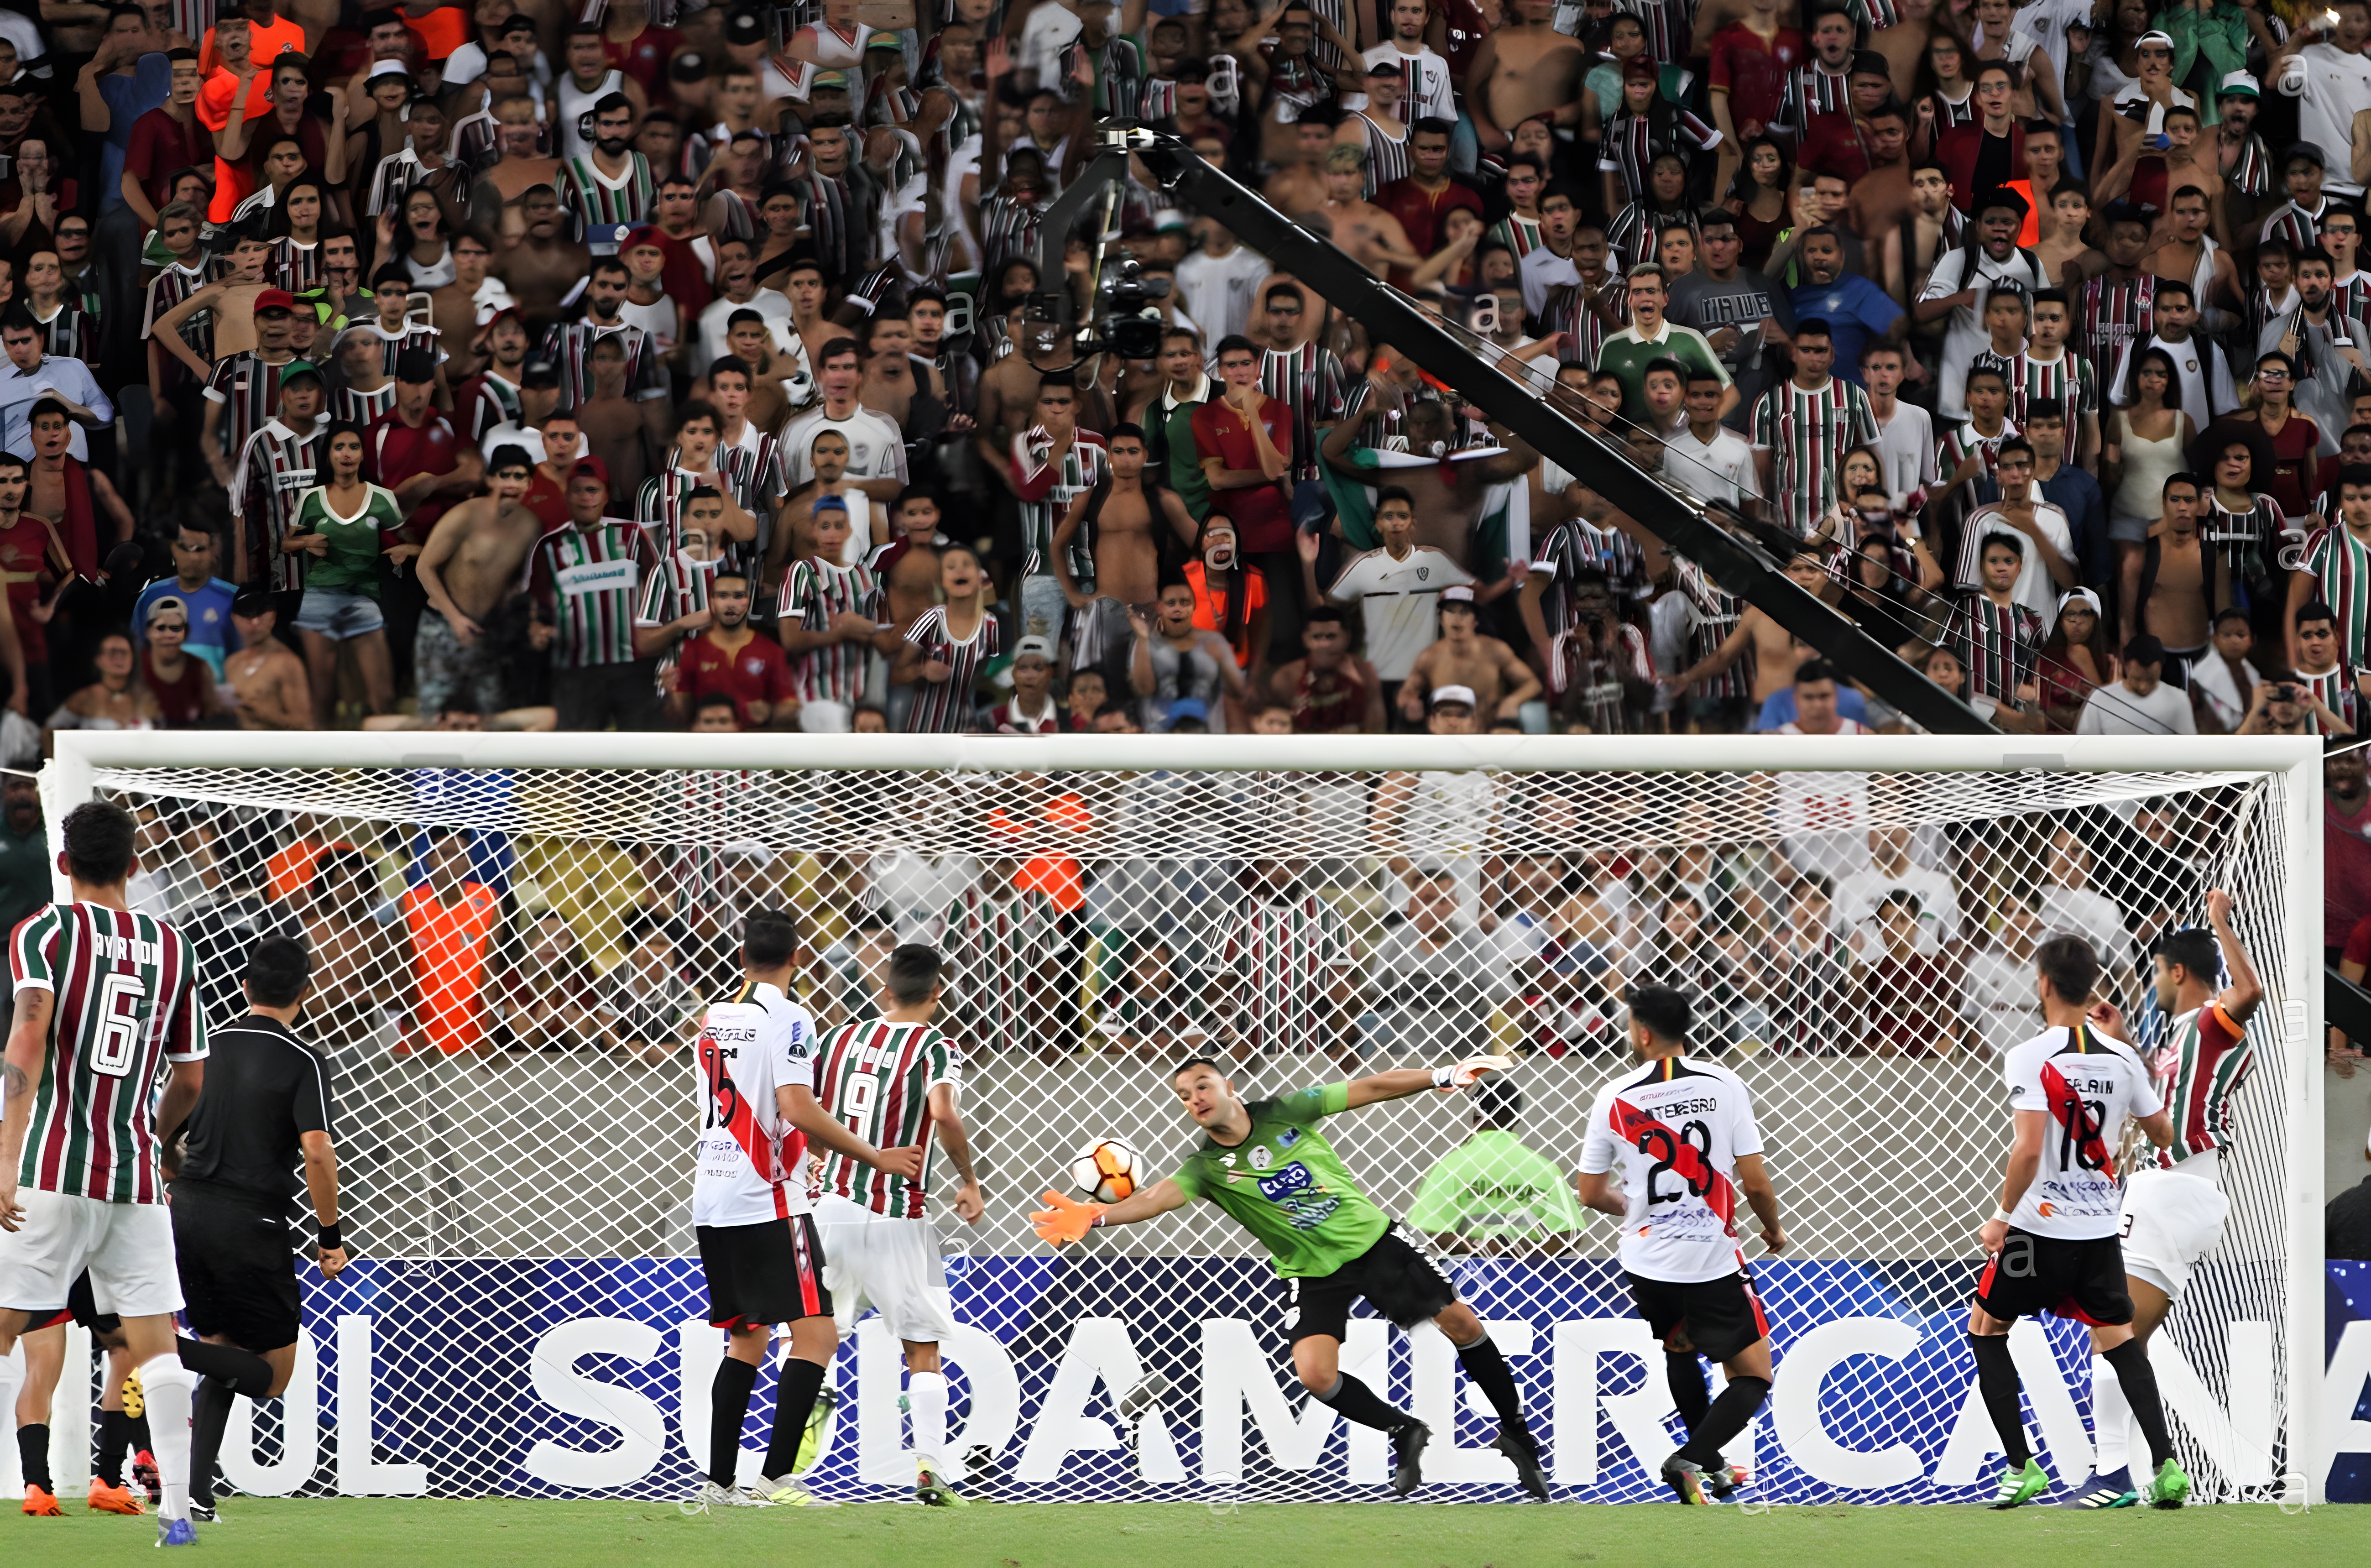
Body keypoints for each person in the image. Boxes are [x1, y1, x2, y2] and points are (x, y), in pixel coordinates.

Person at [1030, 1053, 1549, 1500]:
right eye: (1185, 1095)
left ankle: (1517, 1433)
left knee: (1462, 1325)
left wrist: (1442, 1075)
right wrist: (1096, 1215)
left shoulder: (1286, 1111)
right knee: (1316, 1375)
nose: (1196, 1098)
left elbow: (1369, 1088)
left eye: (1203, 1086)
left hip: (1371, 1244)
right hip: (1309, 1272)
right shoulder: (1207, 1166)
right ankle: (1403, 1428)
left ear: (1229, 1087)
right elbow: (1154, 1198)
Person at [0, 800, 206, 1545]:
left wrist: (4, 1153)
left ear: (62, 866)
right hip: (136, 1181)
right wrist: (156, 1137)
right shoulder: (174, 947)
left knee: (5, 1326)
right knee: (156, 1346)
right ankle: (178, 1511)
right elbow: (190, 1078)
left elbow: (27, 1037)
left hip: (51, 1168)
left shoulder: (46, 932)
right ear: (134, 864)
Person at [686, 908, 923, 1510]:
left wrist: (812, 1149)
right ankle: (775, 1479)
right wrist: (873, 1156)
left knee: (746, 1338)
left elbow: (753, 1104)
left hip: (713, 1194)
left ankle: (718, 1486)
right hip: (766, 1199)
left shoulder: (714, 1018)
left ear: (743, 958)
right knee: (817, 1335)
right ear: (799, 958)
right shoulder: (791, 1018)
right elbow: (793, 1104)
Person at [2052, 889, 2267, 1507]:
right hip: (2187, 1193)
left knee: (2109, 1334)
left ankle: (2115, 1474)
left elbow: (2247, 994)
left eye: (2157, 973)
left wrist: (2220, 925)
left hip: (2169, 1190)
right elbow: (2165, 1099)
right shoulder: (2180, 1041)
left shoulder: (2207, 1023)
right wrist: (2125, 1046)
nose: (2153, 985)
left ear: (2178, 973)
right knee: (2128, 1343)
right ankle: (2161, 1474)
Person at [1967, 934, 2188, 1510]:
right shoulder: (2122, 1058)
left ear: (2042, 983)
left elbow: (2028, 1148)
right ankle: (2166, 1468)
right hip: (2099, 1230)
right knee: (2119, 1341)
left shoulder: (2030, 1055)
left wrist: (1999, 1217)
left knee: (1987, 1330)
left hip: (2039, 1230)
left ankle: (2021, 1468)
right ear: (2093, 986)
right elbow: (2165, 1134)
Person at [1574, 983, 1785, 1504]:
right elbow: (1755, 1181)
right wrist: (1773, 1229)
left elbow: (1590, 1192)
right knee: (1755, 1375)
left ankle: (1708, 1466)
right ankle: (1689, 1458)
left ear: (1642, 1034)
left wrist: (1641, 1209)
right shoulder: (1725, 1082)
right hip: (1709, 1257)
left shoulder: (1614, 1096)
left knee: (1680, 1347)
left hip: (1646, 1261)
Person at [166, 935, 348, 1522]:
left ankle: (193, 1493)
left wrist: (175, 1176)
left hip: (189, 1211)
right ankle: (159, 1349)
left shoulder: (208, 1044)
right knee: (270, 1376)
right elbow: (317, 1153)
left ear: (245, 987)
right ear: (306, 992)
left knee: (224, 1350)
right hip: (252, 1220)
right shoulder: (303, 1059)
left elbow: (160, 1123)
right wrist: (330, 1234)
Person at [810, 945, 983, 1506]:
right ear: (939, 994)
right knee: (923, 1347)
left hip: (829, 1207)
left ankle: (784, 1469)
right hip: (900, 1214)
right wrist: (969, 1178)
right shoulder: (939, 1045)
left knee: (815, 1342)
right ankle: (931, 1466)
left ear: (886, 990)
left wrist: (814, 1157)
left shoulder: (838, 1038)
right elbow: (943, 1114)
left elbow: (802, 1107)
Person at [287, 422, 402, 728]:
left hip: (364, 597)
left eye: (354, 446)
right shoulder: (310, 498)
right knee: (322, 695)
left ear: (364, 454)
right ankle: (319, 773)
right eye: (339, 447)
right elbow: (285, 543)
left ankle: (382, 772)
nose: (347, 454)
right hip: (320, 597)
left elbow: (400, 542)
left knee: (381, 693)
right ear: (329, 455)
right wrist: (309, 542)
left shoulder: (383, 498)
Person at [1407, 1079, 1584, 1256]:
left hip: (1469, 1276)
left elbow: (1427, 1231)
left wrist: (1480, 1250)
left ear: (1475, 1117)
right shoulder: (1545, 1168)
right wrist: (1525, 1259)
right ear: (1516, 1119)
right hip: (1532, 1278)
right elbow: (1570, 1235)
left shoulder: (1451, 1166)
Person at [2075, 635, 2199, 734]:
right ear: (2126, 666)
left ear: (2160, 668)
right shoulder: (2100, 699)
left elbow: (2189, 753)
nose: (2143, 687)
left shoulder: (2178, 699)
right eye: (2137, 679)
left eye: (2150, 680)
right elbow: (2084, 749)